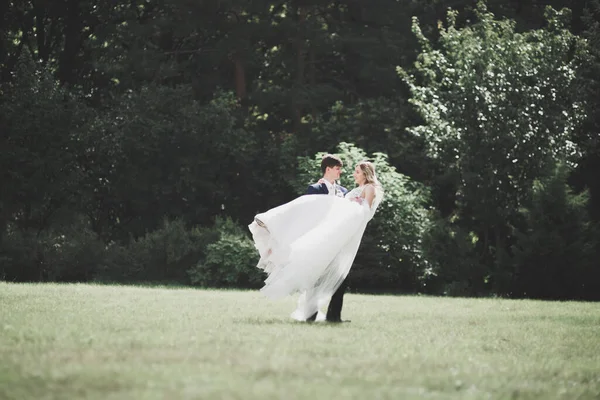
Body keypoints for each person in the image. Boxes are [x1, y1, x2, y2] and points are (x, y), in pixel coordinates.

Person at [248, 160, 383, 322]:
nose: (352, 174)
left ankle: (333, 316)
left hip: (339, 235)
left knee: (338, 276)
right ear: (328, 169)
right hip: (325, 231)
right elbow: (308, 213)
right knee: (316, 272)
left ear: (366, 174)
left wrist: (352, 203)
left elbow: (364, 210)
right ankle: (271, 221)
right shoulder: (326, 188)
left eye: (357, 172)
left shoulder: (358, 189)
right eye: (338, 169)